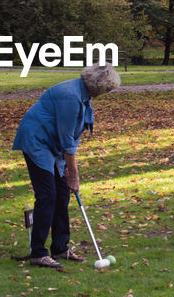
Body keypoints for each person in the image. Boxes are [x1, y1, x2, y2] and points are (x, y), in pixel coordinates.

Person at [13, 64, 121, 268]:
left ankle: (60, 248)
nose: (107, 94)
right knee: (47, 195)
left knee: (61, 193)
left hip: (52, 142)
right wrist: (74, 174)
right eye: (107, 89)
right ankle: (38, 253)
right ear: (99, 86)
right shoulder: (71, 97)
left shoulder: (83, 95)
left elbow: (72, 136)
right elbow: (67, 140)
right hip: (36, 140)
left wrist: (65, 168)